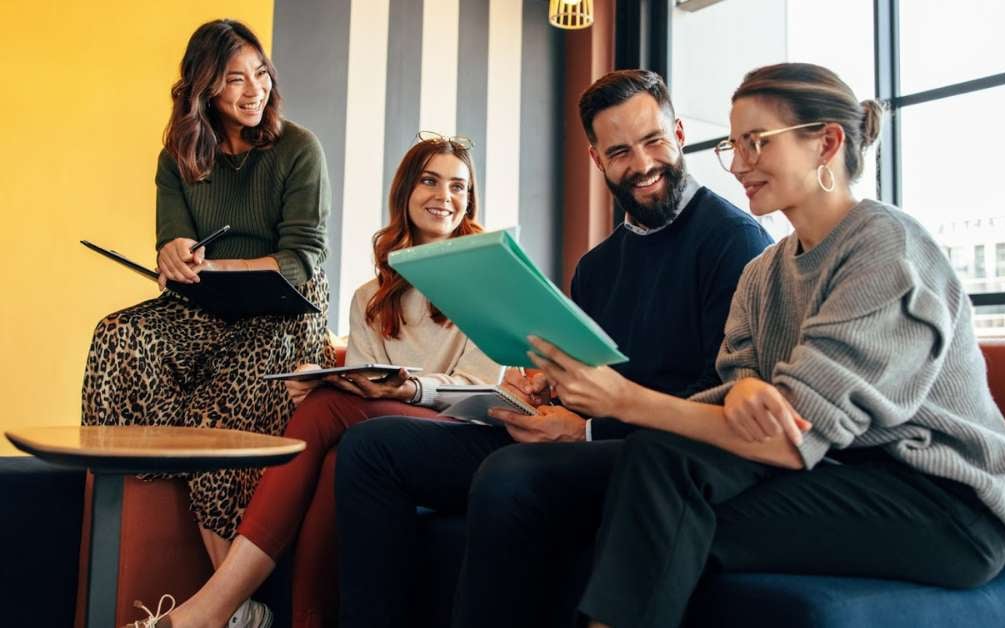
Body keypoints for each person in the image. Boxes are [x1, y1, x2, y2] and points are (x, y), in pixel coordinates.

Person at [523, 62, 1005, 628]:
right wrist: (738, 393)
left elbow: (795, 436)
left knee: (659, 521)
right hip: (833, 475)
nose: (738, 165)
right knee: (654, 475)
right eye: (734, 147)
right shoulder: (764, 271)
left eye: (756, 143)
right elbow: (740, 392)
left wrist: (622, 400)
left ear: (827, 143)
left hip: (937, 504)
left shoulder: (885, 247)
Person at [334, 69, 774, 627]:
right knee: (372, 448)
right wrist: (544, 387)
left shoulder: (735, 243)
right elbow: (588, 372)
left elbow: (717, 400)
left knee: (511, 474)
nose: (640, 164)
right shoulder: (597, 267)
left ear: (680, 134)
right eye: (619, 152)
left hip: (652, 451)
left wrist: (585, 428)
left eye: (653, 141)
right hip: (577, 434)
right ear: (597, 160)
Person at [125, 134, 503, 628]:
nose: (444, 196)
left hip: (456, 433)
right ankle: (303, 620)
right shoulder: (373, 295)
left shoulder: (488, 275)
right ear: (406, 192)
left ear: (469, 199)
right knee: (335, 455)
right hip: (383, 434)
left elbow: (480, 389)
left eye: (458, 187)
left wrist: (404, 388)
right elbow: (365, 383)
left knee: (327, 411)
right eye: (430, 181)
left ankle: (212, 608)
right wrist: (334, 380)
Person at [80, 18, 333, 624]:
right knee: (118, 334)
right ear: (204, 90)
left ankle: (228, 602)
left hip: (285, 306)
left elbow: (302, 256)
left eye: (261, 74)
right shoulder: (179, 156)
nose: (255, 91)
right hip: (208, 306)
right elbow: (174, 241)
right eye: (234, 80)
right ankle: (150, 475)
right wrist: (175, 254)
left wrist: (226, 269)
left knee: (216, 403)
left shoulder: (299, 147)